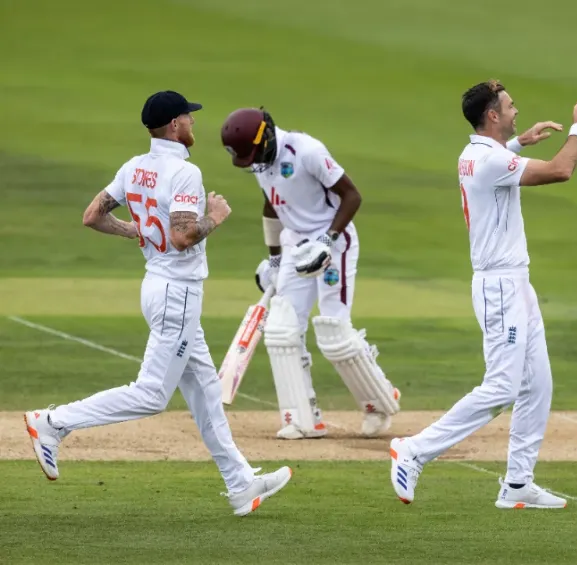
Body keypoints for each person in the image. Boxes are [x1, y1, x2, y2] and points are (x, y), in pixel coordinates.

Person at [23, 91, 292, 516]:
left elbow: (93, 215)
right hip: (177, 292)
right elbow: (184, 236)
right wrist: (215, 218)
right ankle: (53, 423)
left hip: (158, 286)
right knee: (151, 394)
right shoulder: (185, 174)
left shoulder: (135, 167)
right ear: (173, 126)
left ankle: (241, 484)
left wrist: (134, 231)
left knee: (205, 391)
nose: (193, 123)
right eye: (188, 117)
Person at [389, 79, 577, 509]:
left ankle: (518, 484)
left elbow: (499, 162)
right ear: (492, 116)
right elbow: (561, 170)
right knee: (503, 386)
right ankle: (414, 450)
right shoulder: (487, 161)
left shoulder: (475, 154)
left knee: (537, 383)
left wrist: (520, 142)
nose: (516, 110)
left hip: (515, 281)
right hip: (500, 285)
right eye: (510, 106)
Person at [219, 107, 400, 440]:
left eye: (253, 154)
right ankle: (303, 419)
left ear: (267, 135)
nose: (253, 163)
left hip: (334, 243)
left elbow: (352, 195)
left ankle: (378, 402)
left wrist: (327, 241)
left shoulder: (307, 151)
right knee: (282, 329)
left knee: (333, 332)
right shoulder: (261, 161)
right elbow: (271, 205)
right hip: (294, 247)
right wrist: (274, 260)